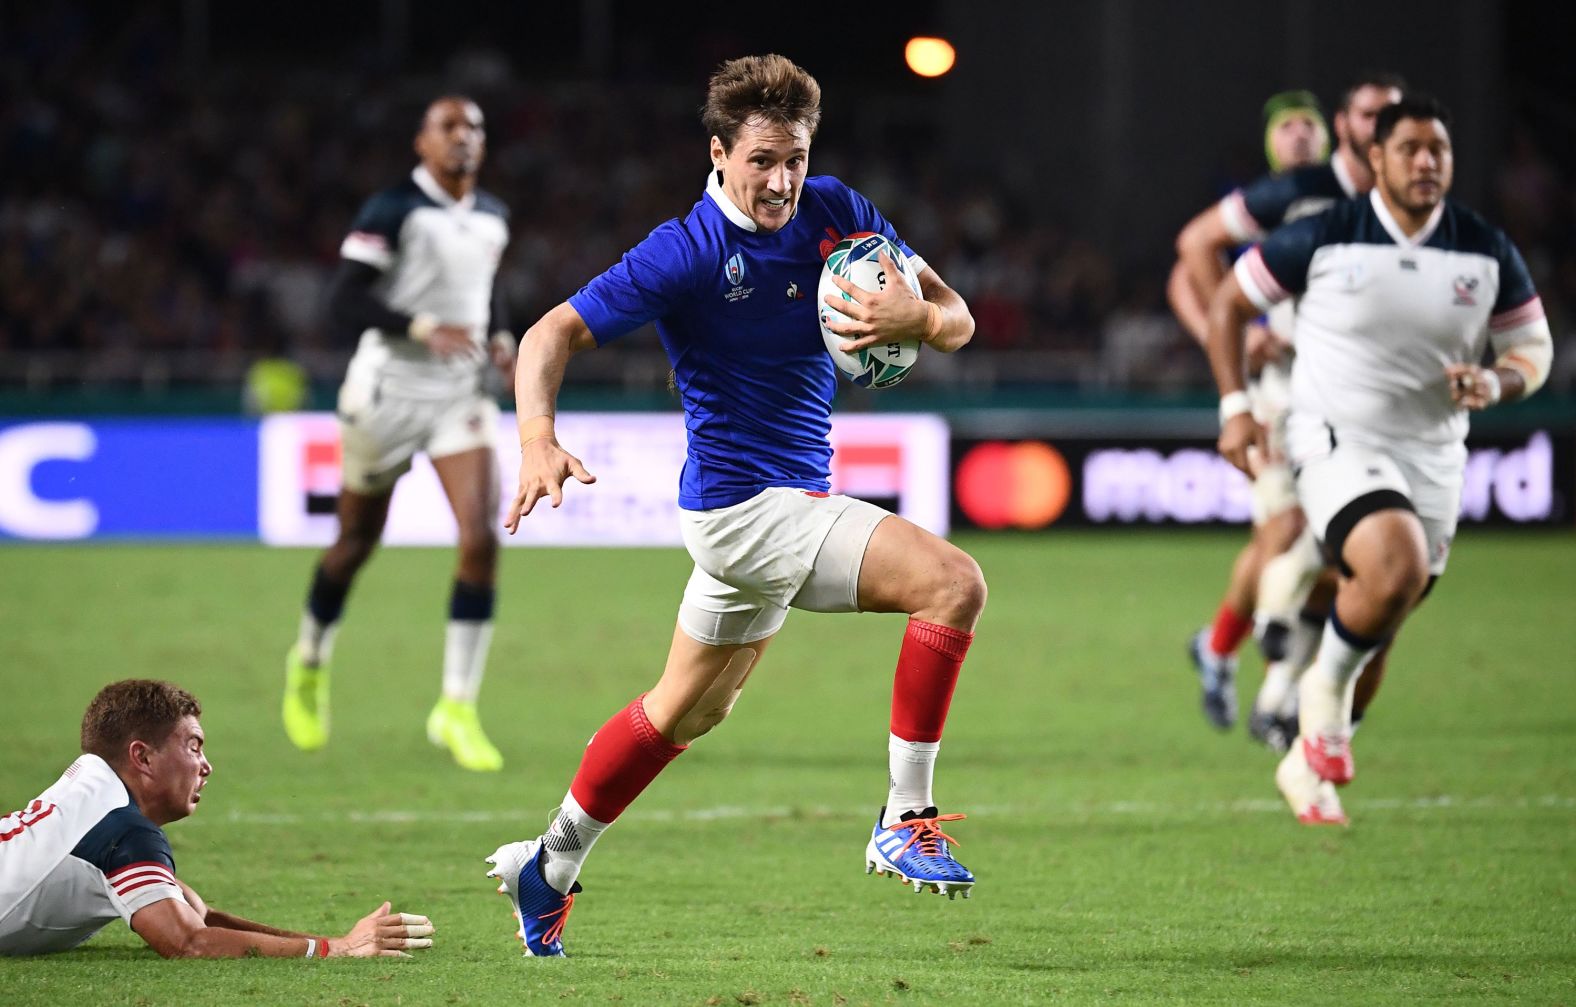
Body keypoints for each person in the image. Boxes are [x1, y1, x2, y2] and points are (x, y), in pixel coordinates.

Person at [482, 54, 985, 957]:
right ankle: (905, 815)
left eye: (793, 156)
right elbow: (547, 333)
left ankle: (549, 866)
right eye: (761, 160)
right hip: (745, 512)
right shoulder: (687, 251)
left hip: (777, 507)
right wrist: (535, 440)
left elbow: (955, 316)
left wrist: (919, 320)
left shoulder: (836, 210)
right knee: (953, 583)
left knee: (688, 710)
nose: (781, 179)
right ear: (720, 155)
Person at [1206, 94, 1553, 824]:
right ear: (1376, 161)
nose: (1427, 162)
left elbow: (1534, 349)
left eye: (1440, 150)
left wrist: (1498, 379)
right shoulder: (1327, 233)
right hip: (1335, 436)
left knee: (1387, 607)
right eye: (1410, 149)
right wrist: (1236, 407)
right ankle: (1314, 697)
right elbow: (1229, 305)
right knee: (1390, 563)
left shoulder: (1484, 248)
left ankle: (1307, 760)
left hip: (1433, 452)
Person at [281, 96, 516, 771]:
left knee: (481, 538)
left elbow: (487, 288)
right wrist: (420, 326)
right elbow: (342, 300)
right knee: (356, 541)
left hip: (458, 395)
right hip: (387, 392)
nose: (463, 137)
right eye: (449, 127)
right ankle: (310, 660)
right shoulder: (392, 209)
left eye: (474, 126)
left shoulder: (493, 216)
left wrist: (498, 336)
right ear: (422, 142)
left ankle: (456, 706)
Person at [1170, 73, 1404, 741]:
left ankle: (1260, 684)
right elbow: (1189, 260)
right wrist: (1238, 340)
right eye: (1286, 125)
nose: (1300, 133)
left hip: (1354, 397)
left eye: (1307, 123)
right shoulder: (1291, 197)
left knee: (1330, 553)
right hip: (1284, 395)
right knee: (1291, 530)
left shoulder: (1395, 200)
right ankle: (1242, 659)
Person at [1, 679, 435, 957]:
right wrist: (335, 949)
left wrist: (330, 940)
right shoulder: (121, 829)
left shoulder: (94, 791)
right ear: (142, 756)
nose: (205, 765)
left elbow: (198, 916)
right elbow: (188, 942)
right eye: (193, 746)